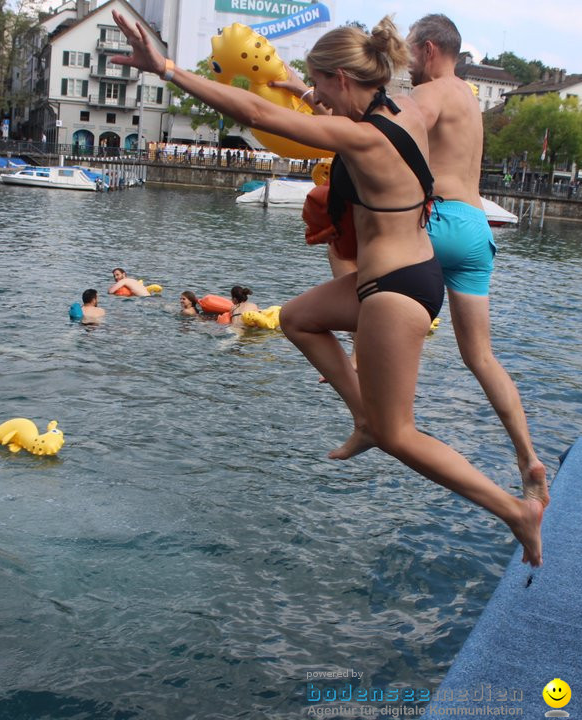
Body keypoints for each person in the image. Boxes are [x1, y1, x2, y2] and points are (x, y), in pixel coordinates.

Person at [110, 10, 543, 565]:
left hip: (397, 291)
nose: (315, 96)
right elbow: (325, 107)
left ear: (342, 79)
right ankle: (362, 417)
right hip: (397, 276)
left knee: (401, 435)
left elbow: (256, 111)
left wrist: (166, 67)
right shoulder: (404, 108)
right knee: (296, 318)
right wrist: (302, 88)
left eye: (318, 85)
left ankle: (513, 511)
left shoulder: (362, 138)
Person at [275, 14, 548, 508]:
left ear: (427, 51)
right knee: (480, 356)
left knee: (336, 220)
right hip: (475, 228)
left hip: (435, 222)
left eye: (410, 57)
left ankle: (361, 352)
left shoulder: (436, 91)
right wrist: (314, 92)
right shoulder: (470, 99)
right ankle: (527, 457)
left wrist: (312, 96)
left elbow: (378, 124)